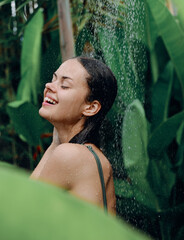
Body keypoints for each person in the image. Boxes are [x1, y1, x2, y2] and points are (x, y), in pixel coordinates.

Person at [30, 56, 117, 215]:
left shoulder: (70, 155)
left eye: (64, 85)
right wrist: (55, 142)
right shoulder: (96, 158)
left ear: (91, 107)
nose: (49, 86)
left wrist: (55, 146)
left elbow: (20, 209)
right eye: (53, 79)